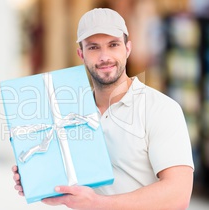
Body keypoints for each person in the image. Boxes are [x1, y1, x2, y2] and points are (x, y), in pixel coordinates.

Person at [12, 8, 194, 209]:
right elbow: (71, 182)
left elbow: (178, 195)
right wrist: (35, 177)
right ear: (81, 54)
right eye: (93, 48)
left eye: (113, 45)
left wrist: (98, 204)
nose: (104, 56)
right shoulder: (69, 114)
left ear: (128, 48)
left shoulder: (161, 109)